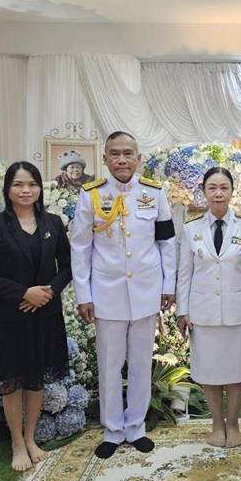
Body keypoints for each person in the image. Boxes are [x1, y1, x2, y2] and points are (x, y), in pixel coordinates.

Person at [70, 131, 176, 458]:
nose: (121, 159)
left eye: (127, 153)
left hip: (145, 291)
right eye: (114, 154)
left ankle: (136, 427)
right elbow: (80, 247)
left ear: (138, 158)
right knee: (110, 364)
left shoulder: (155, 193)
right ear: (104, 159)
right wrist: (83, 294)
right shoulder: (90, 195)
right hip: (107, 293)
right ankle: (113, 430)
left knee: (142, 362)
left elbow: (166, 242)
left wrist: (167, 286)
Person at [0, 161, 72, 472]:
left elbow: (68, 266)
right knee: (12, 380)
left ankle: (30, 438)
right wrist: (23, 293)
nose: (25, 190)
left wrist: (48, 292)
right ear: (7, 189)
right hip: (9, 316)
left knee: (36, 378)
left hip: (46, 313)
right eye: (18, 184)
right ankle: (16, 443)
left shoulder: (53, 223)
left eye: (31, 184)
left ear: (40, 188)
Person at [177, 167, 241, 447]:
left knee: (237, 371)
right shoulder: (191, 228)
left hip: (239, 311)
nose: (218, 193)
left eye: (224, 188)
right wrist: (182, 311)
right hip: (203, 312)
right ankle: (216, 425)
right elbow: (184, 273)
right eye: (212, 188)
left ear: (232, 191)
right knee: (209, 371)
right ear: (204, 192)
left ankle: (233, 425)